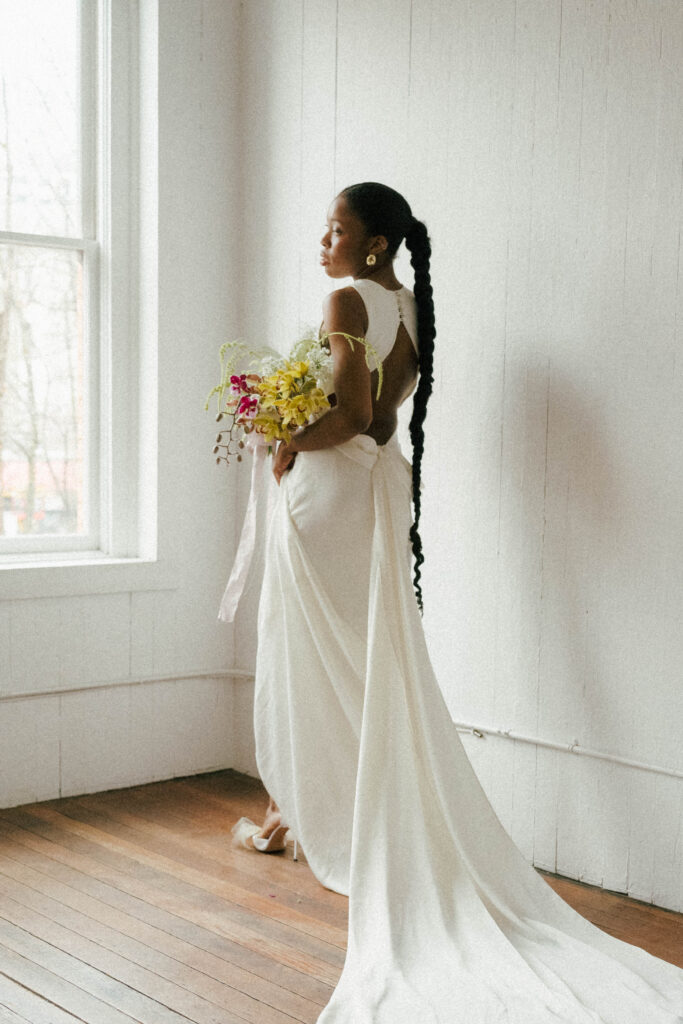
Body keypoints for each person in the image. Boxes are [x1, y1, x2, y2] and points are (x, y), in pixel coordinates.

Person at [230, 182, 683, 1022]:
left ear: (370, 245)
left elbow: (355, 413)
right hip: (375, 492)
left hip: (330, 495)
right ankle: (311, 811)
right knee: (366, 662)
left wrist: (288, 435)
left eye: (334, 230)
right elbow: (386, 420)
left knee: (314, 654)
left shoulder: (343, 295)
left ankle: (307, 814)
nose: (320, 241)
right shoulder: (404, 300)